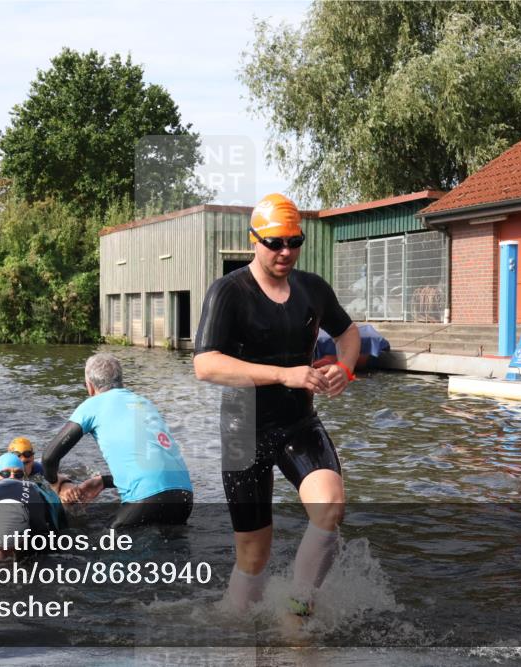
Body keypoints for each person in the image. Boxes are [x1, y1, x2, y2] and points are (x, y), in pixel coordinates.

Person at [193, 193, 360, 618]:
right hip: (242, 427)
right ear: (254, 241)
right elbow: (206, 365)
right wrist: (284, 374)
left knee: (330, 507)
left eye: (294, 241)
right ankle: (235, 624)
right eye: (274, 243)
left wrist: (345, 366)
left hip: (297, 420)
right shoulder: (228, 292)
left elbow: (349, 332)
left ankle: (295, 609)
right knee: (254, 554)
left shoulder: (312, 289)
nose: (286, 251)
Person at [42, 353, 193, 528]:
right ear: (121, 382)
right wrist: (103, 482)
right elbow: (152, 466)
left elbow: (49, 458)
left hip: (146, 499)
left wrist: (56, 484)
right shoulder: (144, 403)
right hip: (184, 497)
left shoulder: (92, 405)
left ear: (90, 387)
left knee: (108, 549)